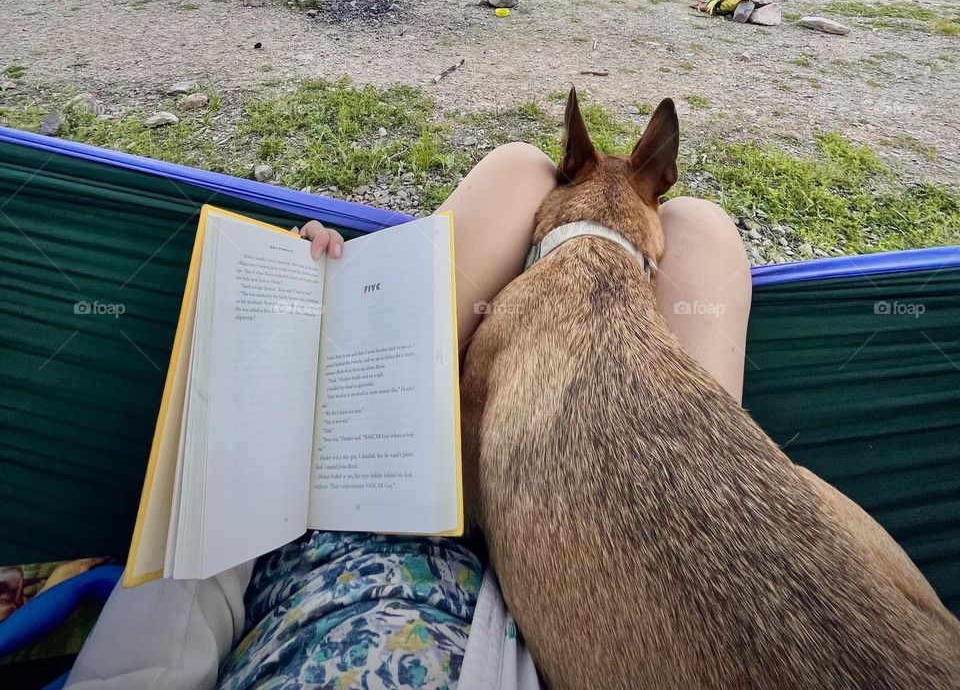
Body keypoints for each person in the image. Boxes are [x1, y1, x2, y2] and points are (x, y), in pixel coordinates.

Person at [66, 143, 751, 690]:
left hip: (305, 517)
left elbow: (174, 601)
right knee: (695, 230)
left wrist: (272, 312)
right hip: (540, 567)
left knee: (523, 172)